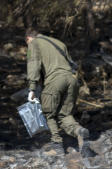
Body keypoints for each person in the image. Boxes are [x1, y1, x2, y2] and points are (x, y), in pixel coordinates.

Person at [25, 28, 93, 157]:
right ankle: (79, 131)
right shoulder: (59, 43)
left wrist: (32, 88)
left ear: (28, 38)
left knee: (49, 114)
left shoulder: (34, 44)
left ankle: (57, 147)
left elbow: (33, 64)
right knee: (65, 115)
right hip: (71, 80)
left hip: (55, 81)